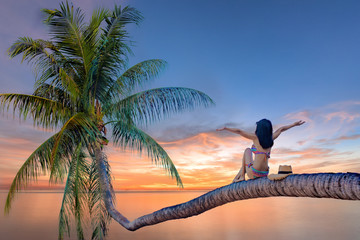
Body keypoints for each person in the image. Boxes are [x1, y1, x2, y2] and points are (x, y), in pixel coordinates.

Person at [216, 119, 305, 182]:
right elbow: (281, 129)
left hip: (254, 173)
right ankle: (241, 175)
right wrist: (294, 124)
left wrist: (226, 128)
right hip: (265, 173)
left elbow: (239, 131)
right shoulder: (271, 138)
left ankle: (241, 175)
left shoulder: (255, 138)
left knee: (247, 150)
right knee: (249, 153)